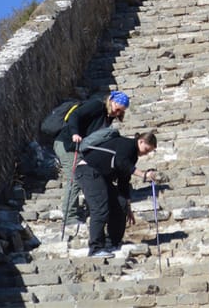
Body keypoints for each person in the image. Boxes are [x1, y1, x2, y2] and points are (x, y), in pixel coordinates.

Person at [76, 130, 158, 257]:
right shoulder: (127, 144)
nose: (146, 153)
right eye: (146, 150)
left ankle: (112, 242)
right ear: (141, 141)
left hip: (101, 177)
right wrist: (143, 174)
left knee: (121, 203)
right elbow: (121, 162)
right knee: (100, 208)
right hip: (88, 171)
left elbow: (123, 181)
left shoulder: (133, 156)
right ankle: (96, 248)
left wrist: (128, 207)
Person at [54, 90, 130, 226]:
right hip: (67, 144)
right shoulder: (97, 105)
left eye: (121, 112)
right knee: (76, 177)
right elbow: (75, 115)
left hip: (81, 148)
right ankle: (69, 216)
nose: (118, 113)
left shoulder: (108, 117)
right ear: (112, 101)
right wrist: (75, 133)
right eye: (118, 109)